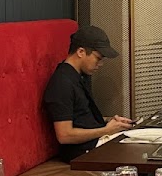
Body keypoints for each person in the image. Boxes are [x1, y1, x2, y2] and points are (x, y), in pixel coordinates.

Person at [43, 26, 133, 162]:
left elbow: (80, 116)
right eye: (98, 58)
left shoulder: (76, 76)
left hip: (94, 142)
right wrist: (106, 130)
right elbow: (64, 135)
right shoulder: (62, 83)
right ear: (81, 52)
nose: (100, 64)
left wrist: (109, 121)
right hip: (82, 151)